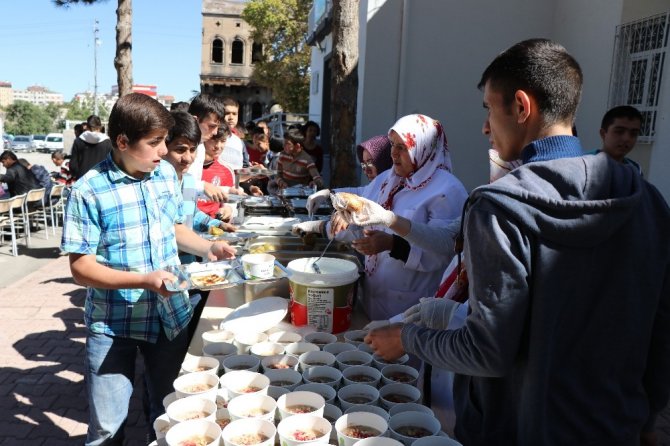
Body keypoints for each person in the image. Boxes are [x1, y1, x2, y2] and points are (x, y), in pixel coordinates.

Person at [366, 39, 670, 445]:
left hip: (518, 426)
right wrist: (648, 417)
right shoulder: (646, 198)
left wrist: (406, 338)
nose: (485, 127)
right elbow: (661, 325)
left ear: (522, 107)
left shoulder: (500, 207)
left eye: (489, 109)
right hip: (614, 423)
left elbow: (487, 351)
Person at [60, 93, 237, 445]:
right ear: (123, 141)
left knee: (169, 412)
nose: (162, 151)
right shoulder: (88, 191)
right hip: (113, 325)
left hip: (169, 314)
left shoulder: (164, 178)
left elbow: (173, 228)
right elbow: (81, 268)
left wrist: (209, 246)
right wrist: (144, 280)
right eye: (154, 143)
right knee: (107, 429)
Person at [162, 110, 234, 344]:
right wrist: (208, 247)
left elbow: (192, 214)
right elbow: (174, 228)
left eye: (193, 150)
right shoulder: (157, 183)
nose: (188, 158)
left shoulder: (188, 181)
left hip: (191, 267)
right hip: (170, 274)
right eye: (180, 150)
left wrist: (218, 224)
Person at [593, 105, 643, 174]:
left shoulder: (635, 170)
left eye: (633, 133)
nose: (626, 138)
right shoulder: (583, 164)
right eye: (619, 131)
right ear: (603, 134)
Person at [69, 114, 114, 180]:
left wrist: (77, 175)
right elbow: (112, 163)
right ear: (100, 127)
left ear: (87, 127)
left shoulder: (78, 141)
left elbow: (73, 165)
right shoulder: (108, 142)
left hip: (82, 180)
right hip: (101, 179)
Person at [219, 97, 248, 169]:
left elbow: (245, 166)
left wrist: (255, 171)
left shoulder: (240, 142)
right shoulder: (212, 138)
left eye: (234, 114)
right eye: (227, 113)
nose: (231, 117)